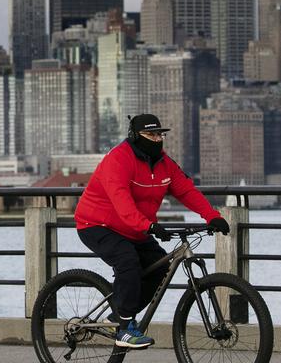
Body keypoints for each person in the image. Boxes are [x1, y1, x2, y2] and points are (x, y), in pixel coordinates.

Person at [74, 113, 230, 349]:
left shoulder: (165, 163)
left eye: (160, 134)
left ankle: (119, 316)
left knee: (160, 268)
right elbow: (121, 201)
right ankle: (124, 329)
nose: (157, 139)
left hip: (135, 228)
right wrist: (148, 226)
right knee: (128, 262)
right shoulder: (118, 160)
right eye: (151, 134)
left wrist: (213, 216)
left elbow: (186, 191)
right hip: (97, 224)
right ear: (135, 136)